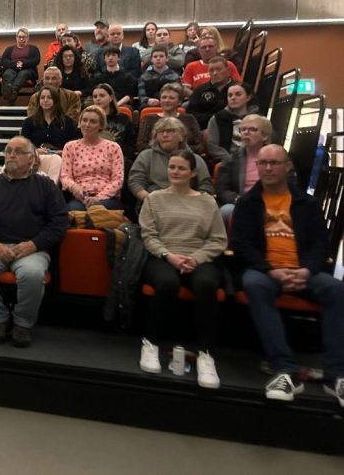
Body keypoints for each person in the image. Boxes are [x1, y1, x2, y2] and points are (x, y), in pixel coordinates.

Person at [232, 144, 344, 406]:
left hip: (303, 270)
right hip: (266, 271)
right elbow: (243, 246)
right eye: (263, 163)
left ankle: (336, 375)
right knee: (253, 284)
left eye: (274, 163)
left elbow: (320, 245)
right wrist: (272, 271)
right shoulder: (248, 203)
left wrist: (305, 270)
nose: (268, 168)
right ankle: (285, 369)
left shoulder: (307, 203)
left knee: (337, 289)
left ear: (288, 166)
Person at [0, 136, 68, 347]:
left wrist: (34, 244)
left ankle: (22, 323)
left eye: (18, 151)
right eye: (8, 150)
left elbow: (59, 223)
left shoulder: (46, 186)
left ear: (31, 159)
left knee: (32, 274)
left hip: (32, 249)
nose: (11, 155)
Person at [138, 149, 227, 389]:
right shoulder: (154, 199)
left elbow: (218, 240)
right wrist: (169, 256)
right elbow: (148, 235)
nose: (175, 172)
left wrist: (196, 259)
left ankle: (206, 354)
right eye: (172, 167)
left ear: (193, 173)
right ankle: (151, 343)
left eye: (181, 168)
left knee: (206, 284)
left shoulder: (207, 202)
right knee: (167, 283)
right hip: (163, 256)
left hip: (198, 258)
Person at [130, 118, 214, 211]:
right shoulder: (146, 156)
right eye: (161, 132)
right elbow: (135, 182)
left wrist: (195, 201)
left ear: (181, 135)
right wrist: (149, 198)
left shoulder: (195, 158)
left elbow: (206, 185)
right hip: (154, 203)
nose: (165, 135)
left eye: (170, 131)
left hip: (189, 205)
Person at [60, 106, 125, 211]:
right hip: (80, 198)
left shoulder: (113, 147)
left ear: (101, 126)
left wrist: (98, 198)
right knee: (73, 211)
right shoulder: (70, 147)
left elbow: (118, 179)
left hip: (107, 198)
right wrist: (74, 187)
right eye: (84, 120)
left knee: (97, 210)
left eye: (93, 122)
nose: (87, 125)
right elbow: (65, 176)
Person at [216, 114, 272, 223]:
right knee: (226, 210)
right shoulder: (231, 159)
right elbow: (222, 189)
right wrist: (238, 199)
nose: (246, 132)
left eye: (252, 129)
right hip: (241, 202)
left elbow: (288, 184)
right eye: (243, 129)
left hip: (269, 201)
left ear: (264, 136)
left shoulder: (277, 157)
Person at [136, 83, 203, 153]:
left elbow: (200, 146)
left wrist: (176, 149)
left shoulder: (189, 119)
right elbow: (141, 145)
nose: (167, 101)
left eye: (171, 98)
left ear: (179, 102)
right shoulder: (149, 119)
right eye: (164, 97)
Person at [207, 82, 257, 163]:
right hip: (228, 161)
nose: (233, 98)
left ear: (248, 97)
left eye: (238, 94)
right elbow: (212, 146)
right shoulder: (217, 118)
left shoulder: (258, 119)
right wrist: (231, 160)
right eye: (230, 95)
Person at [20, 85, 78, 153]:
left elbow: (73, 145)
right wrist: (35, 151)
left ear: (56, 100)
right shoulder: (29, 122)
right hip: (36, 158)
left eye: (49, 97)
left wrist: (62, 152)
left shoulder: (67, 122)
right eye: (42, 97)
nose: (45, 100)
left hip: (60, 158)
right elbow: (24, 145)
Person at [185, 55, 237, 128]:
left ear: (228, 71)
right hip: (204, 128)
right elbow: (191, 114)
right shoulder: (200, 90)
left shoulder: (239, 88)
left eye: (218, 69)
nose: (215, 73)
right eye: (211, 70)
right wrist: (214, 119)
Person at [90, 83, 135, 160]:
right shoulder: (88, 119)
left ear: (111, 98)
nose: (98, 99)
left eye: (102, 95)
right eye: (95, 96)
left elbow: (131, 145)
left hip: (118, 157)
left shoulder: (124, 119)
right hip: (92, 157)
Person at [0, 27, 41, 105]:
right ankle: (10, 90)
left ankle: (12, 90)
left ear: (28, 38)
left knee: (23, 74)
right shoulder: (9, 49)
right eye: (19, 37)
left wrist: (23, 63)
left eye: (24, 37)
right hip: (12, 69)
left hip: (28, 70)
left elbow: (36, 60)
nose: (21, 39)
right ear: (16, 38)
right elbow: (3, 61)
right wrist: (15, 64)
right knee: (7, 74)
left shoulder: (33, 48)